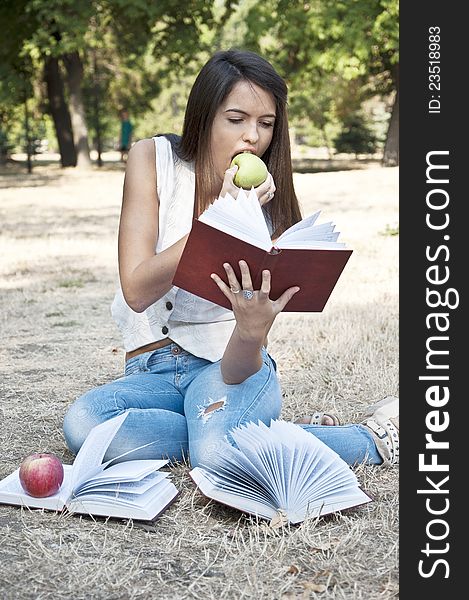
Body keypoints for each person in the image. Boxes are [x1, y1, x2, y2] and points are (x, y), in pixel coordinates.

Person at [63, 49, 399, 470]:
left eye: (266, 124)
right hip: (154, 372)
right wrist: (217, 220)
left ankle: (370, 439)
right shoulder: (152, 159)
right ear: (205, 117)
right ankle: (252, 430)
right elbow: (136, 290)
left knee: (217, 454)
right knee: (85, 424)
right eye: (236, 119)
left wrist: (251, 329)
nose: (252, 138)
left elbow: (243, 357)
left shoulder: (268, 207)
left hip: (229, 370)